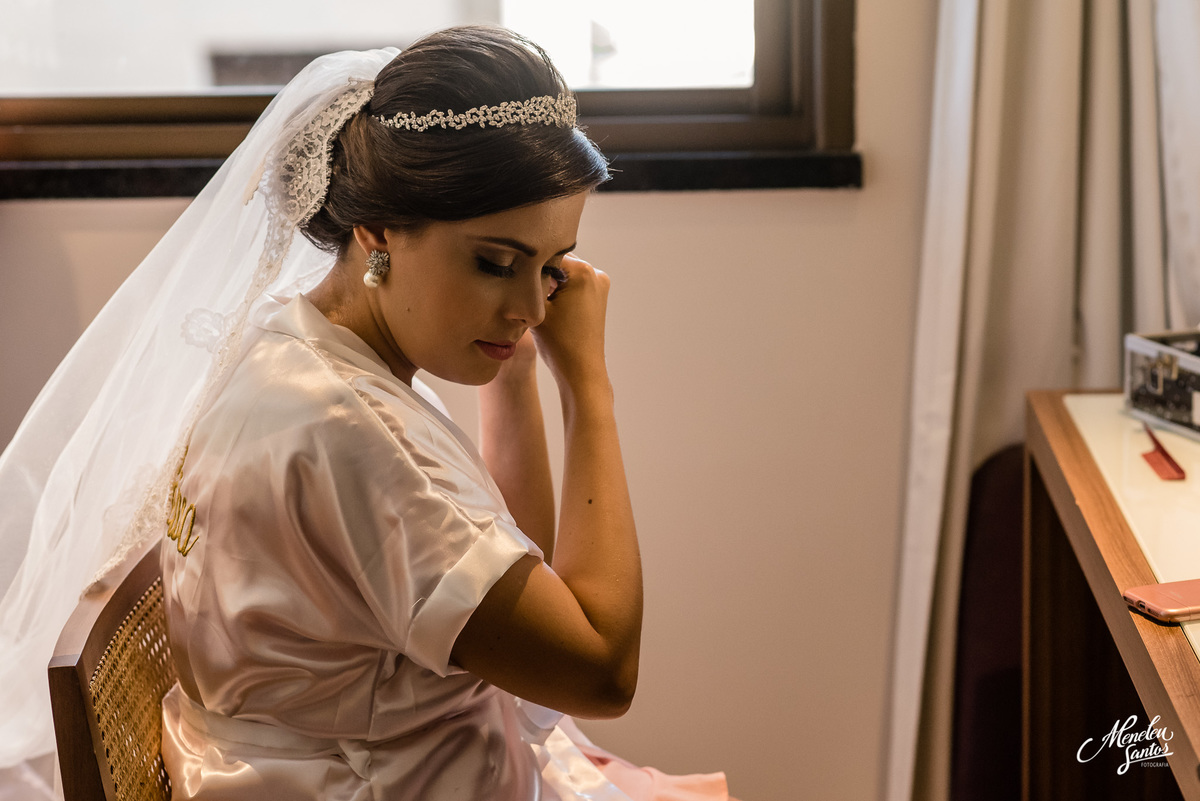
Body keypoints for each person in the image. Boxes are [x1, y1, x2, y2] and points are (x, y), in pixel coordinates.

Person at [0, 25, 735, 801]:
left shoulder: (301, 344)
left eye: (550, 266)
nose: (531, 307)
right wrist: (589, 390)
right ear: (379, 229)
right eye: (495, 263)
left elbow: (517, 581)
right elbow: (598, 667)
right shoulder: (352, 435)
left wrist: (516, 371)